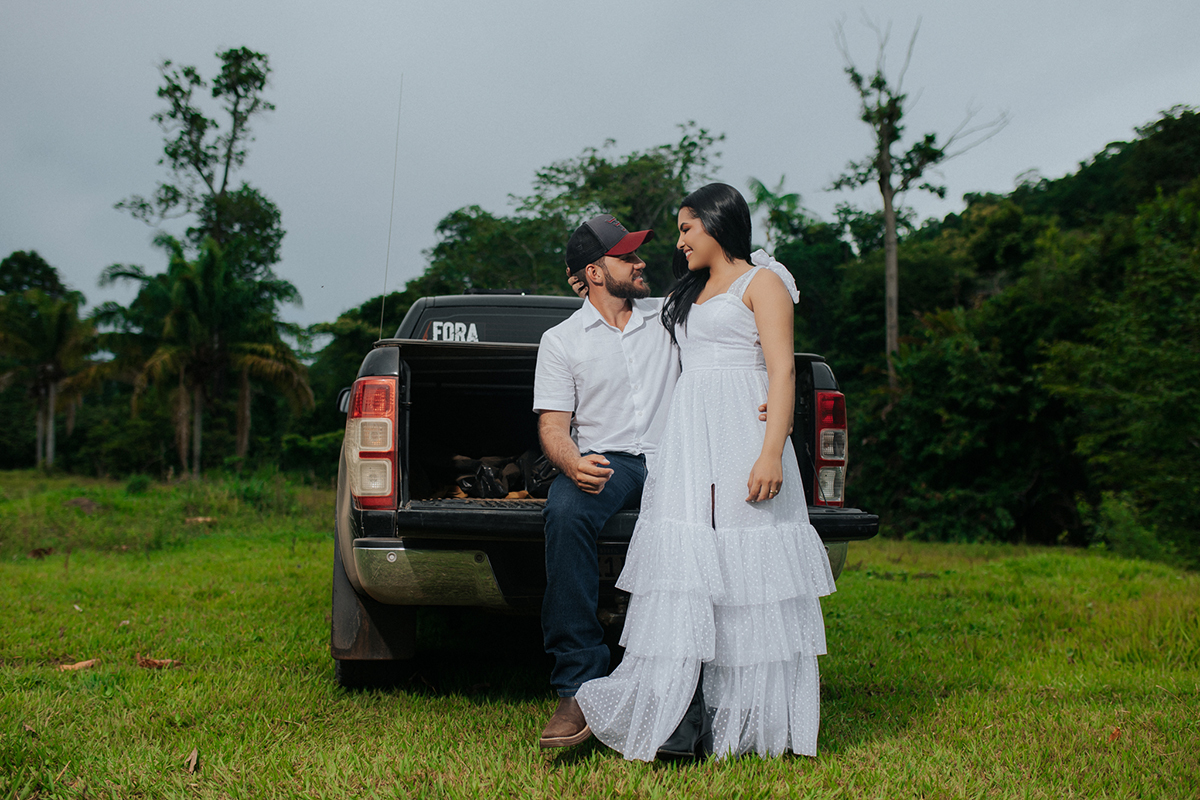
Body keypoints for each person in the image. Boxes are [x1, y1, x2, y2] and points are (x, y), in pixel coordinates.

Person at [575, 183, 836, 761]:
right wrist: (588, 284)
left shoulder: (763, 283)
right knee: (690, 568)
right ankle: (683, 719)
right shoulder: (685, 291)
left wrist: (771, 451)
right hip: (691, 440)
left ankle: (748, 717)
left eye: (687, 228)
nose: (679, 241)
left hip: (744, 435)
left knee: (747, 569)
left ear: (718, 223)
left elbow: (782, 372)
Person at [532, 213, 677, 749]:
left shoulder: (668, 316)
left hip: (675, 459)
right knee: (565, 510)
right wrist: (572, 464)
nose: (640, 263)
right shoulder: (560, 340)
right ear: (594, 273)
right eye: (627, 257)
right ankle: (578, 684)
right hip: (607, 462)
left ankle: (696, 674)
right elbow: (552, 426)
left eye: (637, 254)